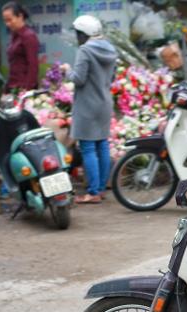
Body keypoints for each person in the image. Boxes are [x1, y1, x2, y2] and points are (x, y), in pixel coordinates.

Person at [61, 15, 117, 204]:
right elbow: (112, 77)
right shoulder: (110, 49)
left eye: (78, 34)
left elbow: (78, 78)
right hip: (104, 103)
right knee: (101, 145)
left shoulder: (85, 50)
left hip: (87, 104)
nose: (77, 37)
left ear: (84, 34)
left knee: (87, 148)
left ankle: (92, 192)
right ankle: (100, 189)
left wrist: (67, 70)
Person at [2, 2, 39, 91]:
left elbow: (33, 65)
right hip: (13, 87)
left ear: (20, 16)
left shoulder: (29, 36)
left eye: (10, 20)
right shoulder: (15, 36)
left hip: (23, 89)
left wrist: (27, 91)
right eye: (5, 20)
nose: (7, 24)